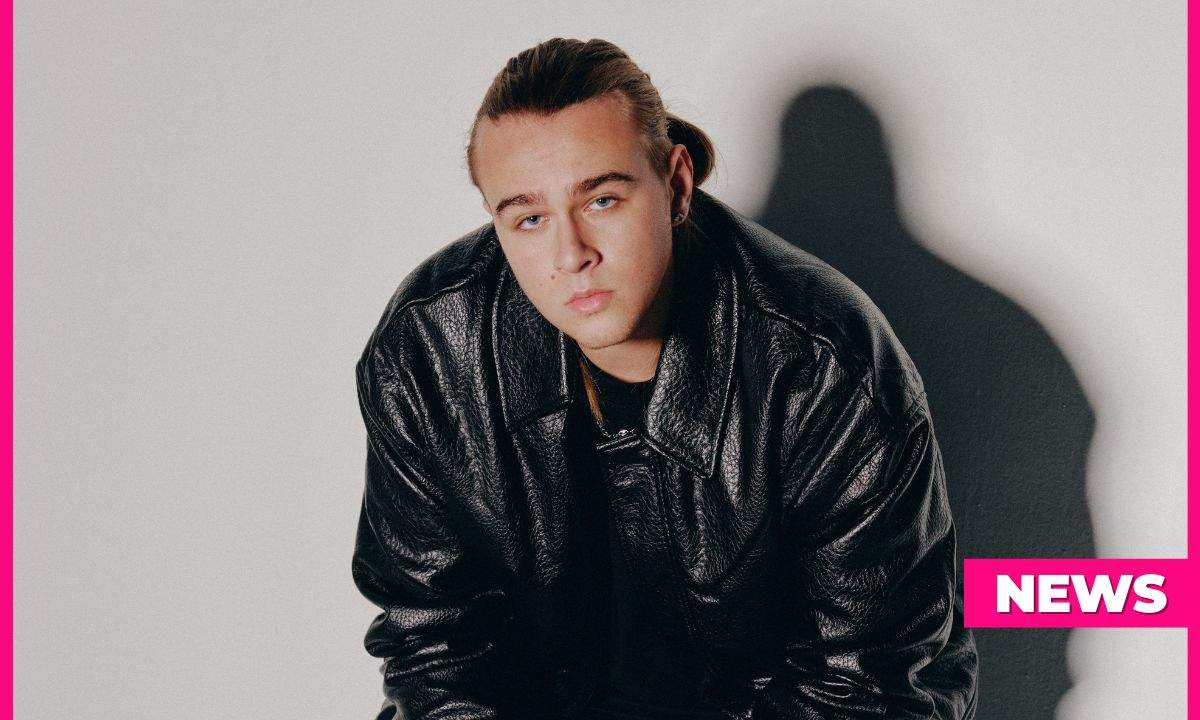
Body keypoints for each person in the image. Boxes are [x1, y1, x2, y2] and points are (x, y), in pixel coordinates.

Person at [351, 37, 979, 720]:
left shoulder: (822, 370)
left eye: (602, 201)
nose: (571, 254)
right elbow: (434, 650)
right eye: (529, 219)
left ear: (676, 186)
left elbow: (868, 688)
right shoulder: (429, 351)